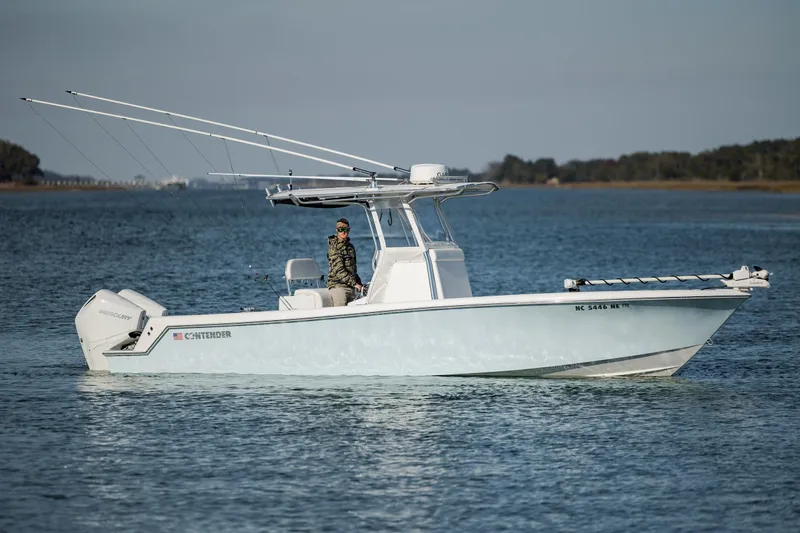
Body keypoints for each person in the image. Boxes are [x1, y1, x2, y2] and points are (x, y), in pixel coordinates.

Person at [327, 218, 363, 306]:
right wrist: (354, 283)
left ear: (349, 230)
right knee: (341, 312)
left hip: (350, 287)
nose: (343, 232)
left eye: (345, 229)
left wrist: (359, 283)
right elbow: (339, 270)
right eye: (340, 230)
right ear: (337, 230)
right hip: (338, 287)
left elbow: (353, 269)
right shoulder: (334, 247)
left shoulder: (350, 247)